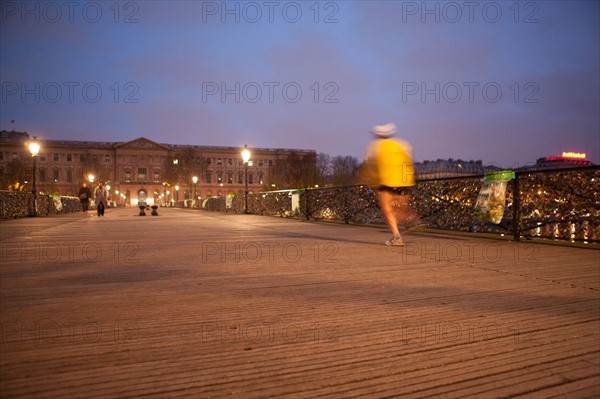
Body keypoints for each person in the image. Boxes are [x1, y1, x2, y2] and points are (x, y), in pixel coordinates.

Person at [365, 122, 420, 246]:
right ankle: (412, 219)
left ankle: (397, 237)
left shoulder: (374, 146)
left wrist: (372, 181)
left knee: (387, 209)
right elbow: (410, 162)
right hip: (405, 181)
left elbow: (370, 166)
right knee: (400, 207)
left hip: (386, 181)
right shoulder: (403, 143)